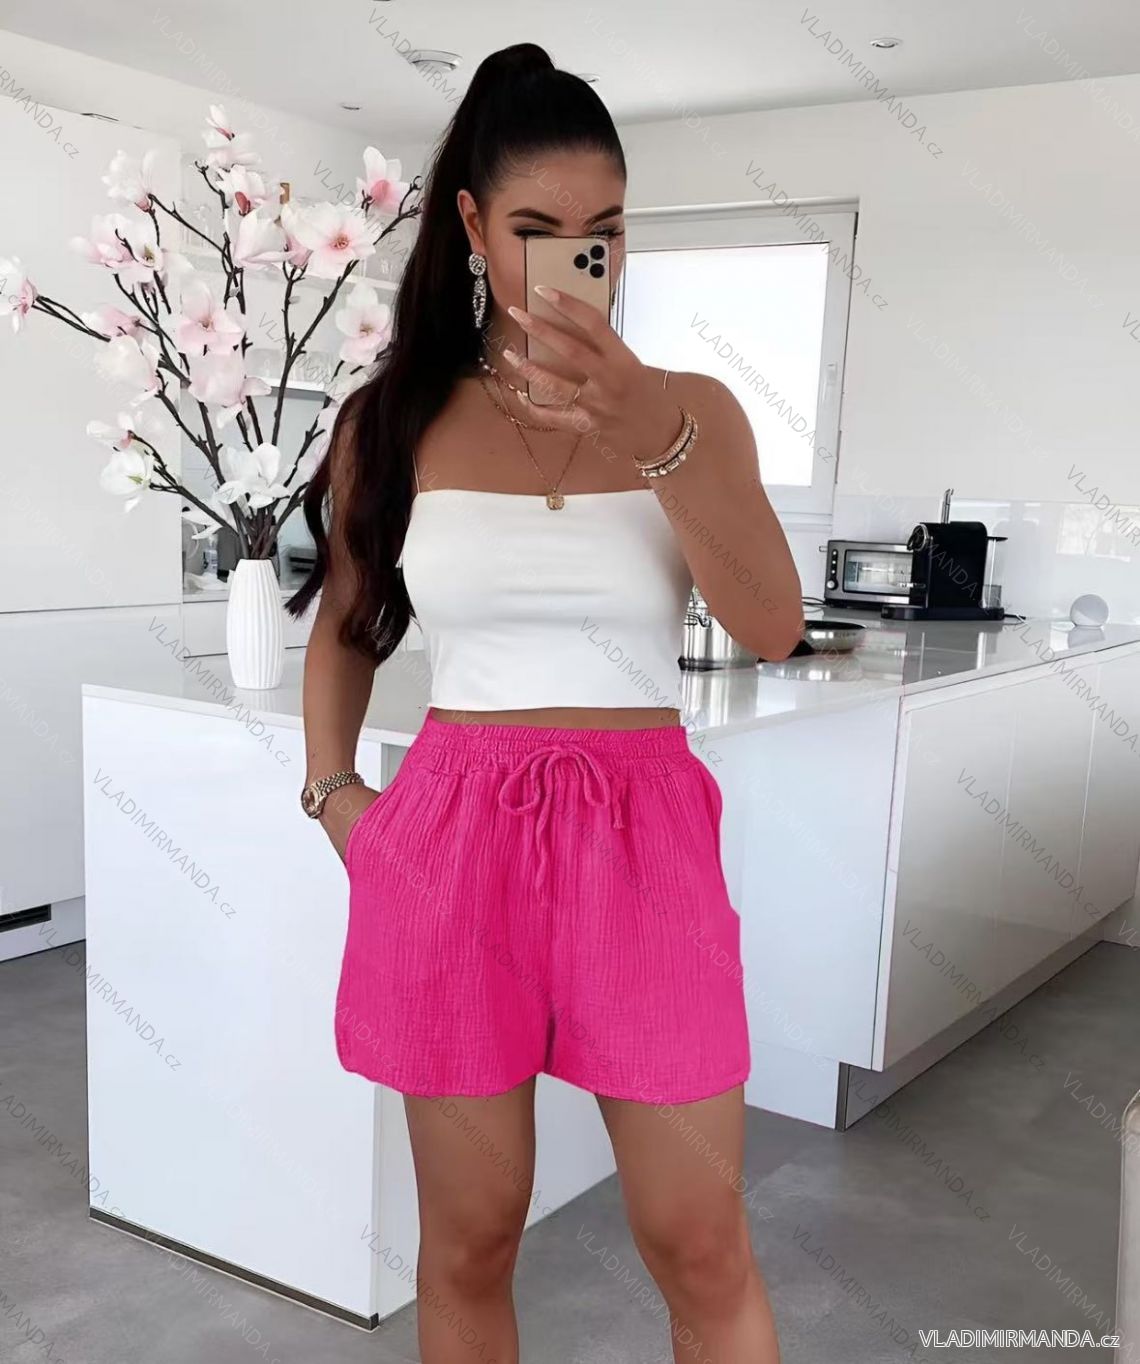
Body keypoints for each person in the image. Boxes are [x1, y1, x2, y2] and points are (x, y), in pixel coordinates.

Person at [288, 40, 802, 1364]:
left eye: (604, 233)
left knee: (701, 1241)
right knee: (471, 1240)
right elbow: (346, 625)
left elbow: (773, 627)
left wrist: (656, 439)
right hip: (452, 841)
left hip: (646, 842)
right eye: (535, 231)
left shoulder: (695, 411)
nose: (579, 261)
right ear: (470, 225)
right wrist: (337, 796)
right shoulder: (393, 422)